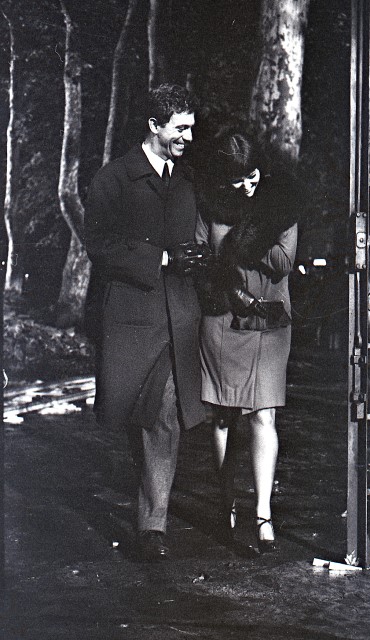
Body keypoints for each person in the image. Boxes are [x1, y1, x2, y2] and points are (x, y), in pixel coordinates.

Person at [84, 84, 209, 561]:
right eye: (180, 129)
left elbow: (197, 235)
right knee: (137, 415)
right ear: (154, 125)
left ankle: (153, 526)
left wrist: (198, 257)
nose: (188, 138)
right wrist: (159, 259)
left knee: (166, 416)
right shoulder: (114, 179)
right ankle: (147, 510)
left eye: (191, 128)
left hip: (178, 318)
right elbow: (100, 246)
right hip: (130, 320)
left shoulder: (187, 180)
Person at [195, 132, 299, 553]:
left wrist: (244, 237)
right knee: (222, 417)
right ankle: (226, 506)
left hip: (268, 322)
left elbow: (283, 261)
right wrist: (224, 271)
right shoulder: (211, 206)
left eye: (252, 175)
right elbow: (202, 259)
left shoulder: (282, 203)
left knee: (264, 416)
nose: (247, 186)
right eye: (237, 179)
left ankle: (263, 514)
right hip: (223, 318)